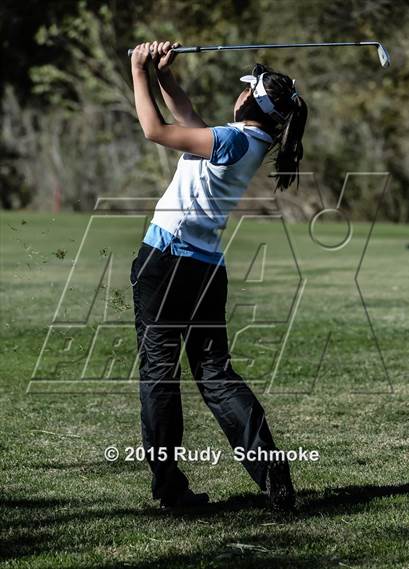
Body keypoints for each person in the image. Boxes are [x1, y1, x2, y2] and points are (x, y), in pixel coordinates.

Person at [130, 40, 308, 511]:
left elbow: (154, 129)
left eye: (244, 87)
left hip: (165, 262)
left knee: (159, 373)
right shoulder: (252, 139)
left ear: (249, 100)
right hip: (205, 267)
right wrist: (164, 76)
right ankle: (275, 478)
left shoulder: (230, 140)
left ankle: (170, 489)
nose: (238, 91)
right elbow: (188, 117)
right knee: (214, 374)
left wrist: (136, 69)